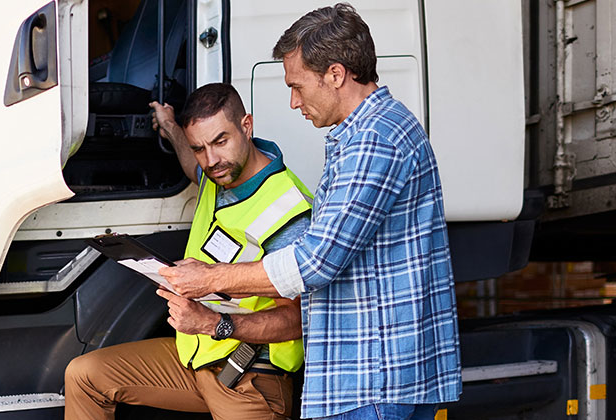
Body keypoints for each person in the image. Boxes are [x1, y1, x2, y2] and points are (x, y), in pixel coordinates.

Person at [156, 4, 460, 420]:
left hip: (372, 379)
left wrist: (207, 279)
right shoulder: (373, 131)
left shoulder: (374, 140)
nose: (294, 101)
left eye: (297, 86)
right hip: (375, 375)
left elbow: (314, 263)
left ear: (336, 74)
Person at [64, 83, 313, 420]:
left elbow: (297, 320)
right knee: (84, 375)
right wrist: (170, 127)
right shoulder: (217, 174)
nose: (210, 160)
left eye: (220, 141)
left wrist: (215, 323)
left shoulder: (287, 208)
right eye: (200, 148)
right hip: (195, 360)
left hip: (250, 377)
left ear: (247, 126)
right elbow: (189, 163)